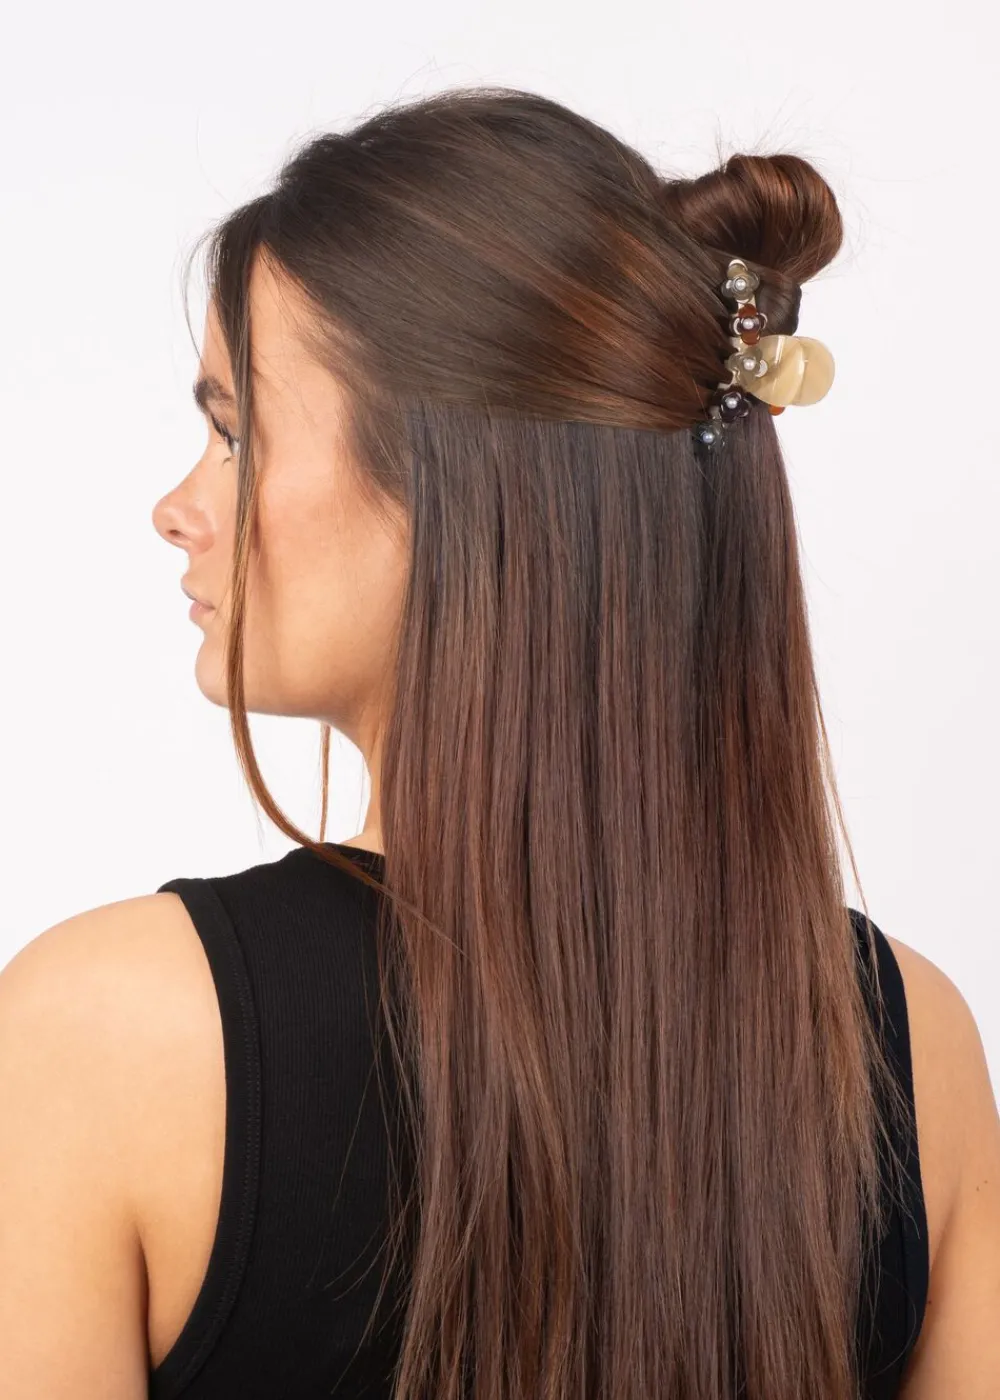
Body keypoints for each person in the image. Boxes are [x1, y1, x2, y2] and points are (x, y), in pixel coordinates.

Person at [1, 86, 997, 1400]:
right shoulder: (902, 1044)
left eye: (236, 432)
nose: (177, 508)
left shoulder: (105, 1036)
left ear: (454, 487)